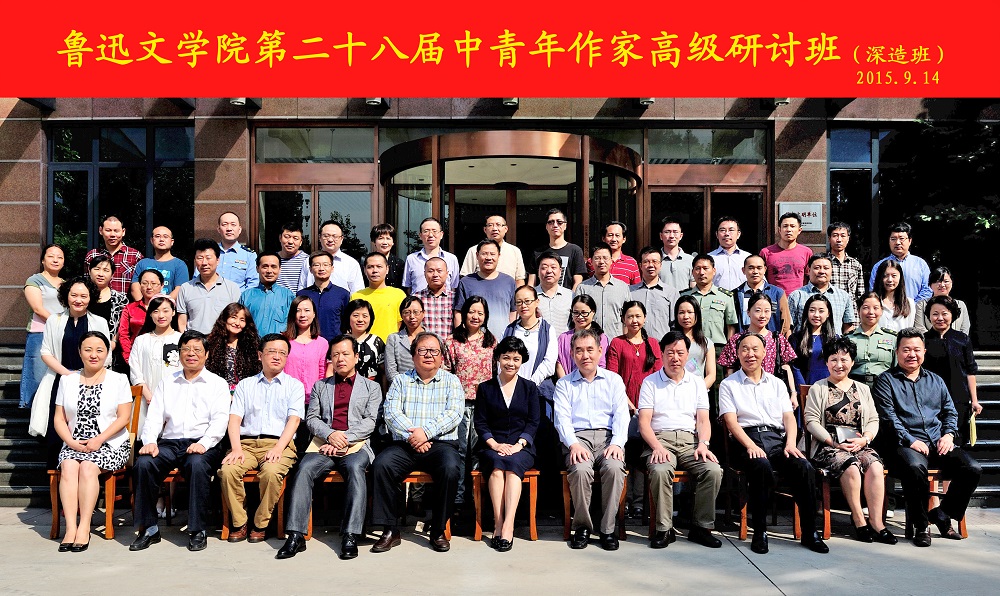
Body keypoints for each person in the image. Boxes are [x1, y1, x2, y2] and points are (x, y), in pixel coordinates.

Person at [719, 332, 829, 555]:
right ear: (737, 354)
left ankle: (810, 532)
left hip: (776, 440)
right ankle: (760, 531)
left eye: (755, 349)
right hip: (745, 440)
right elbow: (731, 422)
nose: (750, 354)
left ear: (764, 352)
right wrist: (750, 445)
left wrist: (791, 443)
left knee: (804, 467)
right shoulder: (729, 384)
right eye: (744, 349)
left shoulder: (777, 383)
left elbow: (789, 417)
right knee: (761, 466)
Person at [277, 334, 383, 560]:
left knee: (355, 469)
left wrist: (343, 438)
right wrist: (330, 435)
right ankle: (295, 535)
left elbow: (370, 422)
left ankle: (350, 534)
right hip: (323, 444)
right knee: (304, 469)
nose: (340, 359)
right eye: (335, 355)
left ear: (356, 357)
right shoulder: (320, 386)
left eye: (345, 354)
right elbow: (312, 418)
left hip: (357, 444)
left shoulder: (371, 387)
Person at [872, 328, 982, 547]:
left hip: (937, 442)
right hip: (904, 445)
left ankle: (942, 514)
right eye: (906, 350)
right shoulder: (886, 381)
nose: (911, 354)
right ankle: (921, 526)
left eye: (916, 349)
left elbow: (950, 412)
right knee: (915, 467)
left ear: (924, 351)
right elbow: (888, 418)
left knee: (972, 468)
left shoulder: (936, 380)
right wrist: (911, 440)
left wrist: (948, 435)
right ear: (896, 352)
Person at [130, 330, 230, 552]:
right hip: (170, 443)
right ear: (179, 353)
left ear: (207, 354)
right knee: (144, 464)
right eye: (186, 349)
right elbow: (154, 416)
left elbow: (220, 421)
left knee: (197, 464)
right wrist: (150, 441)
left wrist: (204, 443)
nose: (191, 354)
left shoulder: (217, 384)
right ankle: (149, 529)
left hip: (203, 443)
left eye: (197, 350)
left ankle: (197, 530)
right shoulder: (167, 382)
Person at [370, 332, 464, 553]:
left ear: (441, 357)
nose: (428, 355)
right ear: (413, 356)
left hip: (441, 444)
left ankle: (438, 530)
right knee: (381, 465)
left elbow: (454, 413)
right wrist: (414, 436)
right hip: (404, 443)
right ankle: (390, 530)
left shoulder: (451, 381)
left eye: (434, 351)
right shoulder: (401, 381)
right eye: (422, 350)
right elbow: (391, 413)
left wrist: (426, 432)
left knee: (451, 469)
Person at [803, 337, 896, 544]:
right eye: (833, 359)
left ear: (852, 362)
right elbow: (811, 421)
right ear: (826, 362)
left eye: (844, 359)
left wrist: (865, 439)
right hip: (828, 445)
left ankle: (877, 523)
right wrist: (834, 443)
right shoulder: (818, 388)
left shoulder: (862, 389)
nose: (839, 364)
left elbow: (873, 419)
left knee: (875, 466)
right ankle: (858, 519)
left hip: (858, 443)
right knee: (851, 466)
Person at [638, 330, 723, 549]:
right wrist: (656, 447)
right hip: (659, 440)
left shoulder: (696, 383)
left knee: (713, 470)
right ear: (662, 354)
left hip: (690, 441)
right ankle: (664, 529)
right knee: (659, 470)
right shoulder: (650, 382)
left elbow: (703, 420)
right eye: (670, 353)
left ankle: (701, 527)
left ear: (687, 355)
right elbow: (644, 423)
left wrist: (703, 444)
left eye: (680, 353)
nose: (675, 358)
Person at [52, 331, 133, 552]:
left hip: (110, 443)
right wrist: (70, 441)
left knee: (88, 467)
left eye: (99, 350)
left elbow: (124, 418)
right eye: (88, 350)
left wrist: (99, 439)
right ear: (80, 352)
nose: (93, 355)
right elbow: (59, 418)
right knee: (69, 466)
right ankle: (70, 528)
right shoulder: (67, 380)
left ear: (107, 353)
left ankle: (84, 526)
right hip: (74, 442)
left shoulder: (119, 379)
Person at [220, 334, 303, 543]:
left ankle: (260, 523)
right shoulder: (245, 385)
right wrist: (236, 449)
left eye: (282, 353)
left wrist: (278, 449)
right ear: (260, 355)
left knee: (271, 472)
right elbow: (234, 419)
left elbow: (294, 421)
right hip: (246, 444)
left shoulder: (294, 386)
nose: (277, 356)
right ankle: (240, 522)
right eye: (271, 351)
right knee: (228, 471)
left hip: (279, 443)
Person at [554, 328, 630, 551]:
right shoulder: (564, 384)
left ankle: (607, 529)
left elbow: (622, 415)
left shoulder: (613, 380)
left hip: (608, 438)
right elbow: (561, 419)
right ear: (571, 354)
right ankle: (582, 527)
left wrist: (617, 443)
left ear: (600, 351)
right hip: (578, 438)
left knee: (615, 468)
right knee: (579, 470)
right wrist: (573, 444)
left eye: (590, 349)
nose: (585, 355)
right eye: (579, 350)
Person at [27, 277, 111, 469]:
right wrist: (68, 374)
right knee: (56, 433)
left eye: (83, 296)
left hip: (90, 383)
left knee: (85, 429)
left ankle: (85, 474)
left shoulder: (99, 322)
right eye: (74, 295)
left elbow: (106, 356)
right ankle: (56, 479)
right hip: (59, 380)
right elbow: (46, 352)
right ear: (66, 296)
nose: (78, 300)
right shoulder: (54, 320)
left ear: (91, 298)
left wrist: (83, 376)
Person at [474, 336, 541, 552]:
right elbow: (480, 422)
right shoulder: (485, 388)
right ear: (498, 358)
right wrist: (494, 445)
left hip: (521, 446)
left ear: (522, 361)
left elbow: (533, 422)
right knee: (496, 466)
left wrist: (519, 444)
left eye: (516, 359)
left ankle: (509, 525)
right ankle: (498, 522)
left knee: (512, 467)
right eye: (506, 357)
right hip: (492, 445)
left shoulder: (530, 388)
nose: (510, 363)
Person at [606, 301, 662, 518]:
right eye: (630, 316)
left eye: (638, 316)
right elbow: (613, 377)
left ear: (644, 318)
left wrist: (645, 407)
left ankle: (639, 501)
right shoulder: (617, 343)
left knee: (642, 456)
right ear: (623, 319)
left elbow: (659, 376)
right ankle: (625, 500)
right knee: (625, 454)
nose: (634, 320)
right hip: (624, 408)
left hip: (649, 409)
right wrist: (629, 405)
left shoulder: (653, 344)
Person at [446, 296, 498, 511]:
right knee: (458, 451)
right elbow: (447, 373)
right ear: (464, 313)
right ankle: (458, 500)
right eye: (472, 312)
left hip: (483, 405)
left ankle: (477, 500)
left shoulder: (491, 341)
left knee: (479, 450)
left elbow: (495, 373)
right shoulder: (452, 341)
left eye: (480, 313)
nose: (475, 316)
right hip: (458, 405)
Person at [923, 296, 982, 445]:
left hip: (959, 398)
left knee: (957, 439)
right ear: (929, 316)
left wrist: (974, 400)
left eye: (945, 313)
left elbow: (970, 371)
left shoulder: (962, 339)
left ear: (953, 314)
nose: (940, 318)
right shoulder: (923, 340)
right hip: (930, 399)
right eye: (935, 314)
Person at [718, 293, 797, 403]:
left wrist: (793, 393)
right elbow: (729, 369)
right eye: (758, 311)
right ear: (748, 312)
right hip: (743, 393)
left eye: (767, 311)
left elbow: (786, 367)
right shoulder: (737, 339)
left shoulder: (777, 338)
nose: (762, 315)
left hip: (771, 394)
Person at [128, 296, 182, 441]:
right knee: (145, 439)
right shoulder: (141, 340)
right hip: (146, 399)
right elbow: (135, 371)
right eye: (156, 311)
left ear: (173, 312)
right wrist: (149, 397)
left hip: (175, 399)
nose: (161, 315)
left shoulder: (181, 340)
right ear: (150, 314)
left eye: (165, 310)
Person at [282, 296, 329, 454]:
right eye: (298, 310)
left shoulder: (322, 343)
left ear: (314, 314)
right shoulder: (284, 340)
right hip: (287, 399)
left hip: (312, 401)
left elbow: (322, 372)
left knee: (307, 444)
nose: (303, 314)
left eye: (307, 310)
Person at [20, 243, 65, 409]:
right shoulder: (34, 280)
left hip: (61, 334)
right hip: (40, 333)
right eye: (51, 256)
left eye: (60, 257)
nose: (55, 260)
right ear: (43, 260)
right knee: (37, 374)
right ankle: (33, 410)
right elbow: (38, 308)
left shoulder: (66, 284)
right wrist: (57, 322)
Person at [453, 239, 516, 340]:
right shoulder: (466, 282)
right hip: (473, 342)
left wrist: (510, 336)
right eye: (484, 254)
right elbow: (458, 312)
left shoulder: (509, 282)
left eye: (492, 254)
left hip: (503, 340)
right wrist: (461, 339)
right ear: (477, 255)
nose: (488, 258)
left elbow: (513, 311)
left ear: (499, 256)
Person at [176, 238, 242, 334]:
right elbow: (182, 321)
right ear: (195, 260)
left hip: (222, 340)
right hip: (195, 340)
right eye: (200, 258)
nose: (204, 263)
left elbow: (236, 319)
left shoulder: (232, 288)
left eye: (208, 258)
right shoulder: (186, 288)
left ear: (218, 260)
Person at [504, 286, 559, 392]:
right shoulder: (508, 331)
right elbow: (501, 361)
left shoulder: (547, 330)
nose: (523, 306)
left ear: (537, 302)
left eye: (527, 301)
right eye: (519, 302)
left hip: (537, 390)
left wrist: (529, 385)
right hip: (510, 389)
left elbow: (549, 363)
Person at [787, 254, 858, 334]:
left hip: (834, 341)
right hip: (804, 341)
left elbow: (848, 327)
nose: (821, 271)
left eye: (826, 268)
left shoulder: (843, 296)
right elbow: (788, 327)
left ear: (831, 271)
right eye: (817, 268)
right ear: (809, 270)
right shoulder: (796, 296)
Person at [574, 242, 631, 338]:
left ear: (611, 260)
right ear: (591, 261)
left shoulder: (623, 287)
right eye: (597, 258)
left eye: (605, 258)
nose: (601, 262)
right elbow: (576, 317)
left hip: (615, 340)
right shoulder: (582, 288)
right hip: (590, 341)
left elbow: (628, 317)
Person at [868, 221, 932, 302]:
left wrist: (912, 306)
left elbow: (927, 290)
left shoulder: (920, 264)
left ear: (910, 241)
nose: (897, 242)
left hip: (916, 308)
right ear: (889, 241)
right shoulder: (879, 265)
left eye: (901, 239)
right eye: (893, 239)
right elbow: (874, 291)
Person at [204, 303, 262, 391]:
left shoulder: (253, 345)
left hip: (245, 393)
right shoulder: (211, 343)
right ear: (225, 318)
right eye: (234, 317)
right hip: (217, 392)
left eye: (242, 320)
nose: (237, 323)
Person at [298, 220, 365, 294]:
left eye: (335, 236)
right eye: (326, 236)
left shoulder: (351, 263)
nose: (330, 240)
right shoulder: (308, 261)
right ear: (320, 237)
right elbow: (302, 290)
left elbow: (357, 293)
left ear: (341, 239)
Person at [87, 254, 129, 372]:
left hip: (111, 349)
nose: (101, 274)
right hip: (84, 348)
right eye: (97, 269)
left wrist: (114, 341)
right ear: (89, 271)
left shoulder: (120, 298)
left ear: (112, 274)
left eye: (106, 270)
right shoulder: (82, 296)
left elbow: (123, 324)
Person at [846, 293, 898, 389]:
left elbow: (897, 367)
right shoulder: (847, 339)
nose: (871, 312)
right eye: (866, 308)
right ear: (858, 310)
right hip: (855, 388)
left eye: (875, 308)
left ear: (881, 311)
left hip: (884, 388)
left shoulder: (892, 338)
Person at [296, 251, 350, 342]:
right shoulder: (302, 294)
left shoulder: (343, 294)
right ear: (310, 269)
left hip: (334, 344)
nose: (321, 268)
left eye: (326, 265)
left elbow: (346, 323)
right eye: (316, 265)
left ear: (332, 268)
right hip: (308, 343)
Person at [630, 246, 681, 343]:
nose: (650, 265)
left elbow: (675, 325)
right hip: (634, 345)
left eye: (655, 261)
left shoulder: (671, 293)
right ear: (640, 265)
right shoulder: (630, 292)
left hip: (661, 346)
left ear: (661, 265)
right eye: (646, 262)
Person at [527, 208, 587, 290]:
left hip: (567, 297)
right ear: (546, 226)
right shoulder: (538, 252)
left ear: (565, 226)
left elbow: (578, 282)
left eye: (559, 222)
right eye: (551, 222)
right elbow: (531, 283)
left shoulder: (575, 250)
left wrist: (572, 297)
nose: (555, 225)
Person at [352, 252, 405, 342]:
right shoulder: (357, 296)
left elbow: (402, 324)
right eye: (370, 267)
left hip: (390, 345)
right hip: (364, 345)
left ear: (387, 269)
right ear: (364, 270)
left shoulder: (398, 295)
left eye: (379, 266)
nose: (375, 270)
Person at [84, 215, 143, 295]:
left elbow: (141, 285)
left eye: (116, 231)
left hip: (126, 302)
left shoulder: (135, 256)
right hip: (97, 301)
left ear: (123, 232)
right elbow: (87, 283)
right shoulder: (92, 255)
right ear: (101, 230)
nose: (112, 234)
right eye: (108, 230)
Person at [460, 214, 526, 285]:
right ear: (485, 230)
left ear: (506, 229)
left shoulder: (515, 251)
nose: (494, 229)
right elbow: (466, 278)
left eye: (498, 225)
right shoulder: (474, 250)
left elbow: (519, 280)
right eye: (490, 225)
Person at [239, 252, 295, 336]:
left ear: (279, 269)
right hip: (251, 342)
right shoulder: (246, 296)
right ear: (257, 269)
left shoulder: (288, 296)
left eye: (273, 267)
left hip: (278, 343)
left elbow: (294, 323)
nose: (269, 271)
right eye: (265, 267)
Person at [733, 254, 790, 336]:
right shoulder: (735, 294)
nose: (755, 272)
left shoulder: (777, 293)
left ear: (765, 269)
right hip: (743, 340)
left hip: (770, 340)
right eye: (751, 268)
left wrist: (780, 340)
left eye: (759, 268)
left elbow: (786, 323)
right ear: (743, 270)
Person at [759, 212, 814, 296]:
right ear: (779, 230)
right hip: (773, 299)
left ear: (799, 230)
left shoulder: (806, 252)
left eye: (792, 226)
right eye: (785, 226)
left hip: (799, 298)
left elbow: (810, 278)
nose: (788, 230)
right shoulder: (765, 252)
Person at [556, 294, 609, 378]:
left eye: (584, 313)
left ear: (593, 312)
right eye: (576, 313)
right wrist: (565, 382)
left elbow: (601, 364)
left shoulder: (601, 337)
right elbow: (559, 363)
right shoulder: (563, 338)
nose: (580, 317)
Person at [790, 294, 838, 386]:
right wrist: (803, 389)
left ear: (828, 314)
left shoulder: (835, 339)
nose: (816, 315)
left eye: (821, 311)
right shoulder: (796, 338)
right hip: (804, 387)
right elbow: (794, 367)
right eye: (812, 310)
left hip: (828, 387)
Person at [402, 217, 460, 292]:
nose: (430, 235)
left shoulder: (451, 259)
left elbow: (454, 287)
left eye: (434, 231)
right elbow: (408, 287)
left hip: (444, 299)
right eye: (426, 231)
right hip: (418, 299)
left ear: (441, 235)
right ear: (420, 235)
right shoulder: (411, 259)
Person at [130, 225, 188, 300]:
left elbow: (180, 289)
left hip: (169, 306)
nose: (161, 239)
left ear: (172, 242)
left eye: (165, 237)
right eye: (157, 236)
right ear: (151, 240)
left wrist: (163, 304)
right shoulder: (143, 263)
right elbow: (135, 287)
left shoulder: (179, 265)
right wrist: (144, 305)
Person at [672, 296, 716, 390]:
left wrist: (697, 391)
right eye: (681, 312)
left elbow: (711, 375)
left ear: (697, 314)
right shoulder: (669, 341)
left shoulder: (707, 343)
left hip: (698, 393)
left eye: (690, 312)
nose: (686, 316)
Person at [120, 269, 163, 362]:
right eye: (144, 283)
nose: (149, 287)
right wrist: (129, 357)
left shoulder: (168, 309)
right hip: (135, 355)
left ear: (162, 286)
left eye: (153, 283)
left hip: (161, 356)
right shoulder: (130, 308)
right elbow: (123, 334)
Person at [338, 298, 385, 383]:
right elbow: (331, 370)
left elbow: (383, 372)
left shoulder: (377, 342)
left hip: (372, 389)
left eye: (365, 316)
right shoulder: (340, 342)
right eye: (356, 315)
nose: (360, 320)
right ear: (348, 317)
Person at [211, 211, 259, 291]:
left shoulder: (250, 255)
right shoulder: (210, 253)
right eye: (224, 225)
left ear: (239, 229)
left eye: (233, 225)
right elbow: (198, 279)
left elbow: (253, 284)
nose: (229, 229)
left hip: (238, 298)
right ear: (218, 229)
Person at [915, 266, 971, 335]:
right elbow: (920, 328)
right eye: (937, 281)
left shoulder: (960, 305)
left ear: (951, 283)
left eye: (946, 281)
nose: (942, 285)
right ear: (930, 285)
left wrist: (957, 340)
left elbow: (964, 329)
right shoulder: (921, 304)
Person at [412, 256, 456, 341]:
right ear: (424, 274)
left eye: (439, 271)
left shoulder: (455, 298)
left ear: (447, 273)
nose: (435, 275)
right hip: (423, 346)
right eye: (430, 271)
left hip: (449, 347)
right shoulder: (416, 298)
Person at [385, 296, 424, 385]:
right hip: (401, 388)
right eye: (407, 312)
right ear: (401, 316)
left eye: (416, 312)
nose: (412, 316)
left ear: (423, 313)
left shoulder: (433, 338)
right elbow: (391, 372)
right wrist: (407, 387)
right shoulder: (393, 339)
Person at [534, 251, 572, 335]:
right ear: (538, 272)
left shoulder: (571, 296)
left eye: (553, 267)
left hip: (563, 343)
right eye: (544, 268)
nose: (549, 271)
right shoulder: (531, 296)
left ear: (560, 271)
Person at [707, 216, 750, 291]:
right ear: (717, 234)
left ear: (738, 234)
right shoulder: (708, 258)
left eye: (731, 230)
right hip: (717, 298)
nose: (727, 234)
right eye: (722, 230)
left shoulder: (748, 258)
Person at [824, 222, 865, 301]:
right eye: (835, 235)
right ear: (829, 239)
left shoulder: (856, 265)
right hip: (828, 306)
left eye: (843, 236)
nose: (839, 240)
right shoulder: (823, 263)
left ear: (848, 238)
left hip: (850, 307)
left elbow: (860, 294)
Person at [873, 259, 915, 331]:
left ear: (900, 277)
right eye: (885, 276)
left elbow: (909, 329)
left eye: (894, 276)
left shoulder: (909, 303)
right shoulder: (873, 301)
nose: (890, 280)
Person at [657, 217, 695, 291]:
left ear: (681, 236)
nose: (671, 236)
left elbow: (693, 286)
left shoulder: (690, 260)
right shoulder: (655, 260)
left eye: (675, 232)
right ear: (661, 236)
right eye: (667, 232)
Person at [276, 222, 309, 293]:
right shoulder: (272, 259)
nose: (290, 242)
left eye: (295, 238)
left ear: (301, 242)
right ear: (280, 238)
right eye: (287, 237)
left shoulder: (307, 260)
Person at [370, 223, 405, 289]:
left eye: (388, 238)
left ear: (393, 242)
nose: (385, 242)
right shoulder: (367, 262)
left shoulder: (399, 264)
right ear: (374, 241)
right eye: (381, 238)